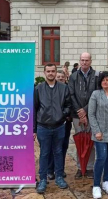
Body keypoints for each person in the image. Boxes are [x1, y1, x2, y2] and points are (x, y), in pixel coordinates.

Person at [34, 64, 71, 194]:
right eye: (48, 71)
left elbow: (68, 105)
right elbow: (35, 108)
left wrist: (62, 114)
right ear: (44, 73)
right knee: (44, 153)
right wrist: (34, 129)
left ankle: (59, 177)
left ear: (56, 73)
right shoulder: (38, 89)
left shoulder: (63, 88)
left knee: (58, 152)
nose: (51, 73)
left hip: (59, 126)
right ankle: (43, 179)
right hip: (43, 126)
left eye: (53, 71)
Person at [68, 52, 98, 179]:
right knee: (80, 141)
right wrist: (80, 112)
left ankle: (90, 167)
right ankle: (80, 168)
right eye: (82, 60)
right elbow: (71, 94)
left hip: (92, 113)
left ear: (90, 61)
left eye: (87, 60)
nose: (84, 62)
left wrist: (86, 110)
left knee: (91, 141)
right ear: (79, 61)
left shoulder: (97, 76)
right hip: (77, 115)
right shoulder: (73, 76)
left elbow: (96, 94)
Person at [47, 71, 72, 180]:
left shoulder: (67, 89)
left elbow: (70, 104)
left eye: (62, 77)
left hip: (65, 123)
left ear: (65, 78)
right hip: (52, 123)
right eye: (59, 77)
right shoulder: (51, 89)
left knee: (63, 147)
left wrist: (66, 114)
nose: (61, 78)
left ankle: (60, 170)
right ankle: (50, 170)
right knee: (51, 148)